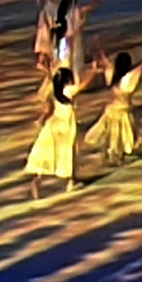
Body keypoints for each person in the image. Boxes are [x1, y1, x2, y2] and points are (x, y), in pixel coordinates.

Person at [25, 67, 81, 199]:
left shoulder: (54, 93)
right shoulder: (68, 91)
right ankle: (70, 182)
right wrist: (93, 72)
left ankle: (38, 180)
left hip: (53, 125)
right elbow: (82, 86)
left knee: (49, 154)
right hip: (66, 127)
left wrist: (41, 120)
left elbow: (48, 110)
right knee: (69, 152)